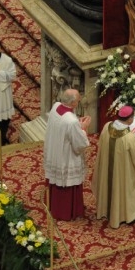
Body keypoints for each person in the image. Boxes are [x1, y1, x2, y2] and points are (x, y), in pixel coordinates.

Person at [92, 105, 135, 228]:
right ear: (130, 119)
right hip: (123, 174)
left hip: (107, 170)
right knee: (126, 187)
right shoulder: (130, 138)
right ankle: (127, 215)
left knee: (109, 185)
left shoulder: (106, 127)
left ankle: (105, 209)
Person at [43, 89, 91, 221]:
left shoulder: (56, 106)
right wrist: (84, 128)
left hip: (55, 150)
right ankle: (66, 211)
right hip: (66, 156)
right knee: (67, 182)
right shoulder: (71, 121)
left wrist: (78, 125)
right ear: (73, 103)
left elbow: (64, 128)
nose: (79, 101)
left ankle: (53, 205)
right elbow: (79, 143)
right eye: (78, 100)